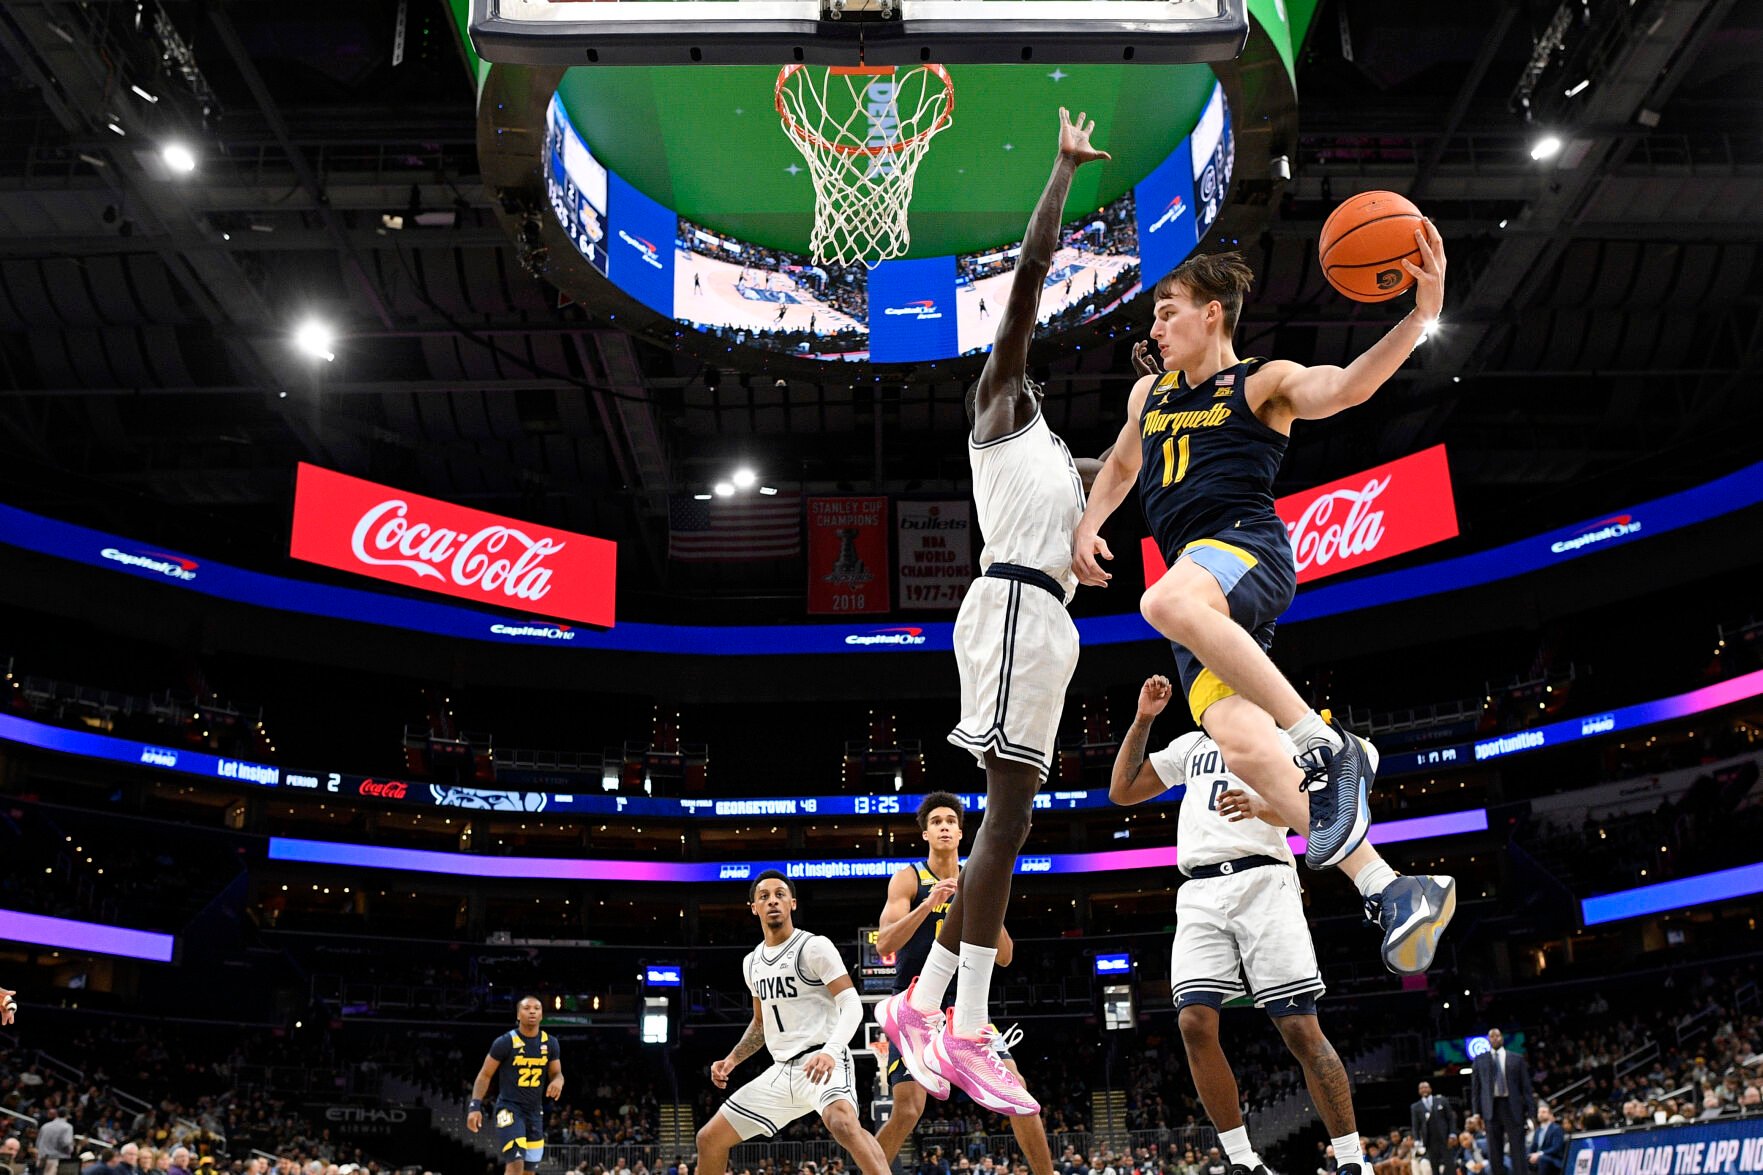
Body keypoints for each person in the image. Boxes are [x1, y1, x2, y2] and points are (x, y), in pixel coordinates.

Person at [1071, 242, 1456, 974]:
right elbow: (1121, 466)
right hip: (1204, 602)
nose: (1153, 329)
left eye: (1166, 312)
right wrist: (1089, 525)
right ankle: (1391, 885)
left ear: (1210, 313)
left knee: (1160, 597)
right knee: (1246, 751)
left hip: (1243, 549)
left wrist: (1418, 316)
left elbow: (1342, 386)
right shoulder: (1146, 397)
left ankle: (1324, 743)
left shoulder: (1260, 384)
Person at [876, 108, 1111, 1118]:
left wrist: (1163, 405)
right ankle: (958, 1018)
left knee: (1013, 820)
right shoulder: (998, 404)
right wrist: (1056, 173)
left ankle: (930, 1006)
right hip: (1010, 603)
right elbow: (1027, 280)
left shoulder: (1060, 459)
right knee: (1006, 814)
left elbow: (1123, 473)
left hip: (1047, 616)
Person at [1110, 679, 1372, 1175]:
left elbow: (1327, 816)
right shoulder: (1193, 745)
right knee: (1193, 1022)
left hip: (1264, 879)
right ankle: (1242, 1160)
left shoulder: (1286, 739)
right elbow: (1121, 790)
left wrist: (1262, 807)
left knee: (1299, 1027)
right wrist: (1144, 719)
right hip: (1200, 889)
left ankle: (1352, 1159)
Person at [872, 794, 1053, 1175]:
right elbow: (885, 944)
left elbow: (1004, 956)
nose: (943, 826)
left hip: (965, 1012)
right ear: (925, 833)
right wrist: (928, 904)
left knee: (1016, 1086)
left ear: (960, 832)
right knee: (907, 1108)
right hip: (916, 1008)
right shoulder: (909, 877)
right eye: (935, 821)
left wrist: (979, 904)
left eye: (950, 821)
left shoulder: (978, 875)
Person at [698, 872, 889, 1175]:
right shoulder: (752, 963)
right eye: (764, 896)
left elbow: (851, 1004)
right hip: (781, 1070)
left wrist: (831, 1050)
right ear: (754, 907)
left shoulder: (814, 946)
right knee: (708, 1139)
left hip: (823, 1060)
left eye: (780, 894)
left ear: (792, 903)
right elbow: (761, 1024)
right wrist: (733, 1059)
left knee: (842, 1123)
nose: (772, 900)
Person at [467, 995, 566, 1175]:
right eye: (527, 1008)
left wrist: (559, 1081)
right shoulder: (505, 1042)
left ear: (542, 1015)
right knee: (516, 1164)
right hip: (509, 1109)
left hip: (535, 1112)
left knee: (529, 1171)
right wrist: (475, 1106)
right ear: (518, 1014)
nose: (532, 1012)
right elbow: (484, 1075)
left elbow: (556, 1073)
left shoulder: (551, 1043)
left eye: (537, 1008)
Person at [1470, 1030, 1532, 1175]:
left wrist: (1531, 1112)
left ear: (1502, 1038)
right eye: (1492, 1036)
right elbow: (1476, 1089)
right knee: (1494, 1151)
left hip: (1513, 1107)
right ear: (1488, 1040)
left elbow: (1526, 1088)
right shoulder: (1480, 1060)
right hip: (1491, 1108)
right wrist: (1476, 1113)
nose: (1495, 1038)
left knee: (1518, 1149)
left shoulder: (1516, 1059)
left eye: (1498, 1035)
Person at [1412, 1081, 1458, 1174]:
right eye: (1421, 1088)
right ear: (1418, 1091)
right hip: (1429, 1141)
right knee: (1434, 1166)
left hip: (1445, 1138)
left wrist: (1452, 1134)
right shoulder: (1415, 1107)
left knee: (1449, 1164)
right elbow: (1415, 1126)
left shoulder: (1442, 1100)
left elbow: (1451, 1119)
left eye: (1426, 1087)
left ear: (1430, 1089)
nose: (1424, 1089)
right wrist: (1417, 1141)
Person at [35, 1108, 74, 1175]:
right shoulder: (67, 1127)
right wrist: (71, 1149)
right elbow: (66, 1143)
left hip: (42, 1160)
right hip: (57, 1161)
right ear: (67, 1116)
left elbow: (38, 1144)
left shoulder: (45, 1126)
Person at [1527, 1106, 1563, 1175]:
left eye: (1544, 1112)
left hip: (1552, 1158)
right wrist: (1529, 1155)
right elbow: (1533, 1146)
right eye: (1539, 1112)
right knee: (1524, 1157)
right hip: (1539, 1157)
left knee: (1541, 1159)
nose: (1540, 1114)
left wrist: (1539, 1154)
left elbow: (1556, 1148)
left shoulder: (1556, 1128)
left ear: (1550, 1115)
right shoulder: (1538, 1130)